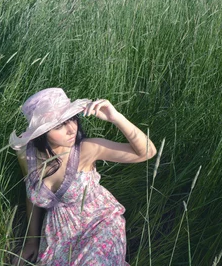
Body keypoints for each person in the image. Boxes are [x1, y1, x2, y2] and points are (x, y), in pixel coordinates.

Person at [9, 87, 157, 265]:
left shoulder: (86, 150)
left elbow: (147, 152)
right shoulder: (27, 155)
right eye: (59, 125)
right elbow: (31, 197)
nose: (72, 129)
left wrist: (116, 117)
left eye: (72, 119)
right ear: (42, 132)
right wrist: (32, 241)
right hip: (57, 236)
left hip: (100, 224)